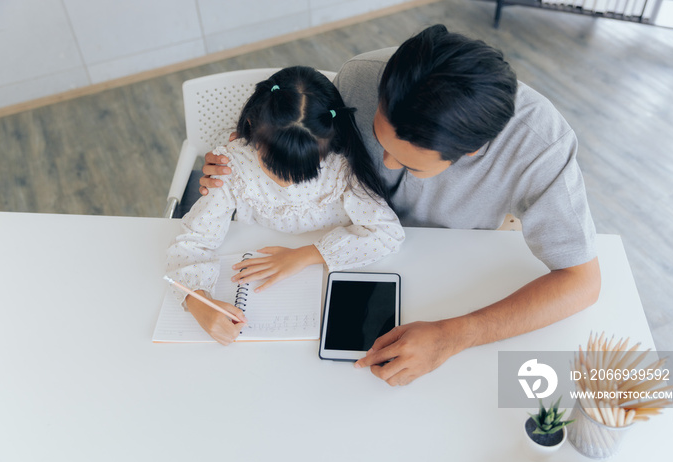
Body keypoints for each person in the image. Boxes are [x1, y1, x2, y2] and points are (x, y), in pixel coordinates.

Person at [199, 25, 601, 385]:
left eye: (408, 162)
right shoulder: (360, 78)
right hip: (350, 240)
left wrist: (455, 335)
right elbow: (312, 149)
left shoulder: (541, 145)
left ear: (472, 151)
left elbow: (582, 282)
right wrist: (242, 159)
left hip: (448, 267)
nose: (385, 165)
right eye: (379, 139)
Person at [167, 66, 405, 346]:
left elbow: (387, 233)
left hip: (326, 269)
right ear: (253, 130)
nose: (285, 181)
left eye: (304, 171)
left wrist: (306, 255)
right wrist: (197, 302)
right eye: (272, 165)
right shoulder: (232, 165)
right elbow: (192, 242)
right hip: (257, 249)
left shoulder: (341, 165)